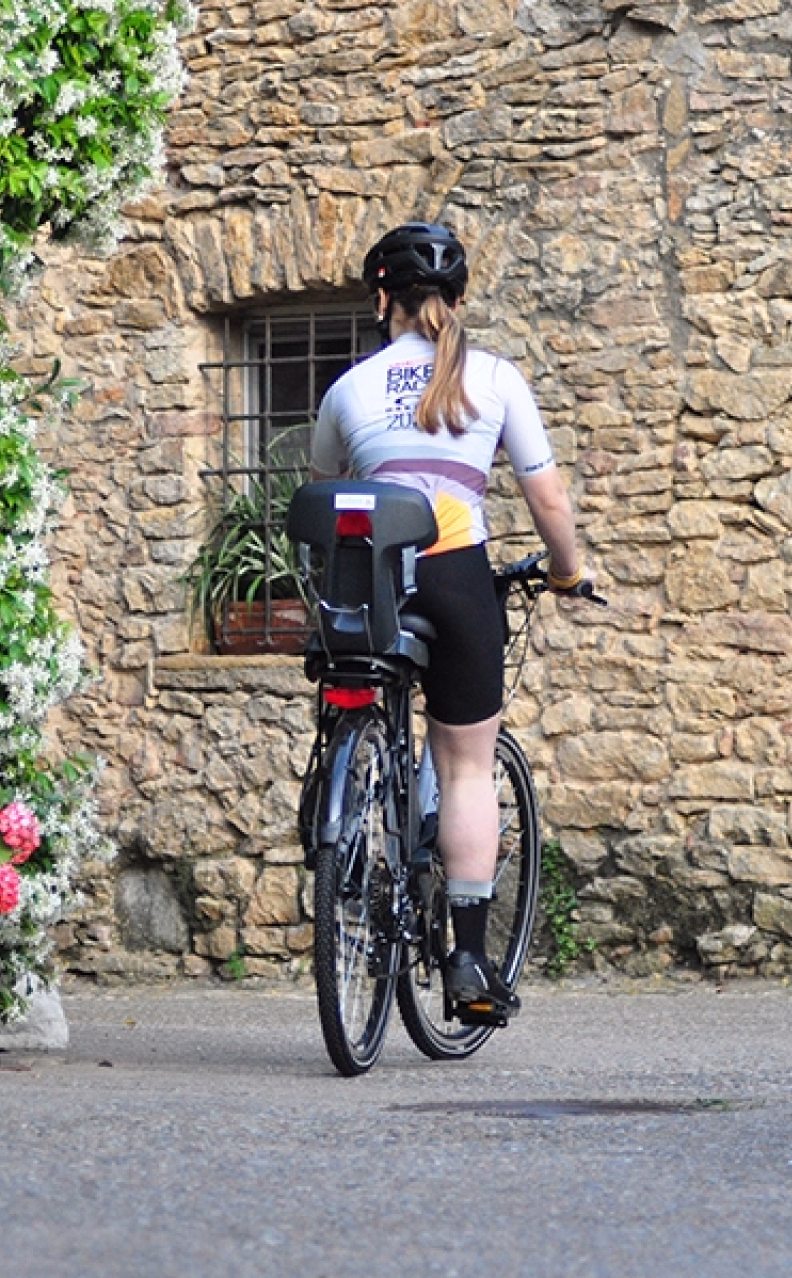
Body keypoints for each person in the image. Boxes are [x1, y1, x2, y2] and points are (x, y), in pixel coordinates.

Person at [308, 221, 588, 1022]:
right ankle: (467, 960)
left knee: (359, 694)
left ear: (382, 302)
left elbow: (320, 489)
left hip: (366, 586)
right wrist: (568, 570)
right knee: (466, 767)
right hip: (454, 574)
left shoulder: (348, 389)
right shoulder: (494, 378)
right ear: (458, 301)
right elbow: (547, 500)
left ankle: (347, 799)